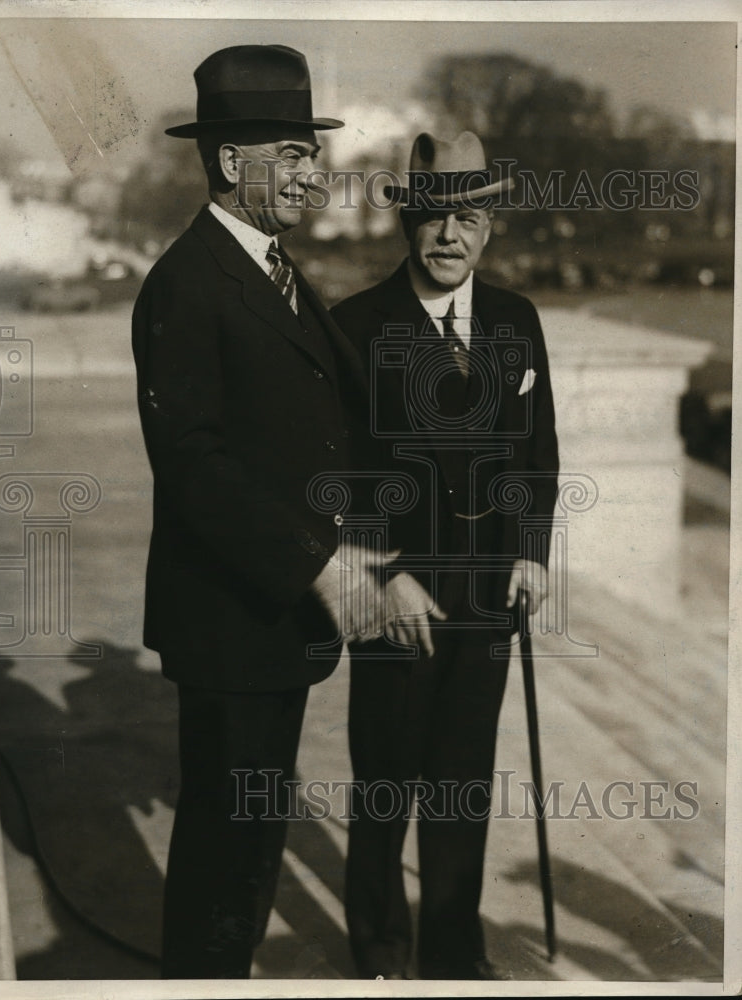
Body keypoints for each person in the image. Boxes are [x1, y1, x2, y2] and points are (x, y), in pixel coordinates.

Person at [131, 44, 384, 979]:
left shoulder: (270, 265)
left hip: (268, 620)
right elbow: (193, 465)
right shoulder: (189, 283)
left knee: (252, 836)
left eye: (310, 151)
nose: (309, 170)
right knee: (225, 845)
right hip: (233, 620)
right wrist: (315, 563)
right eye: (289, 150)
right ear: (231, 162)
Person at [331, 130, 560, 980]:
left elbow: (537, 454)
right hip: (397, 597)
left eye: (466, 216)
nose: (447, 235)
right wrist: (380, 578)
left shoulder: (514, 319)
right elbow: (337, 475)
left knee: (461, 786)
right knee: (386, 783)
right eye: (431, 216)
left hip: (488, 598)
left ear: (490, 225)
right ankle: (382, 952)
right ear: (406, 225)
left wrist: (531, 556)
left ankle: (455, 958)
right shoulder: (355, 326)